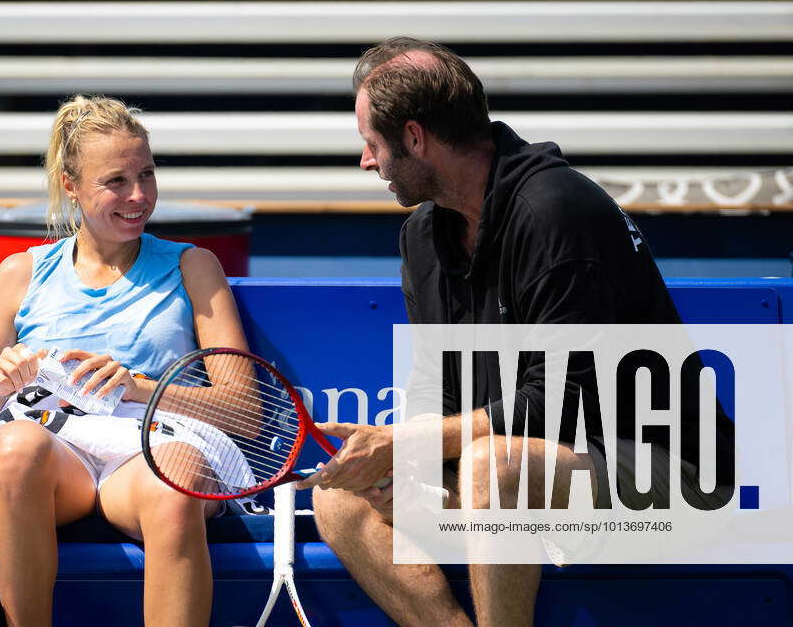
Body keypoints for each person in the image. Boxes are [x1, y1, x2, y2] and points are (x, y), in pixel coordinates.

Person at [297, 38, 734, 627]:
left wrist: (412, 444)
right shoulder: (423, 237)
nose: (366, 162)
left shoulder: (559, 210)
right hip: (523, 474)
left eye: (371, 144)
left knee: (493, 468)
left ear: (416, 137)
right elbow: (438, 391)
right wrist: (403, 460)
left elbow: (563, 400)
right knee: (340, 495)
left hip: (675, 476)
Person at [0, 94, 250, 627]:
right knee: (13, 446)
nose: (138, 196)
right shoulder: (20, 273)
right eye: (116, 181)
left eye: (147, 175)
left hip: (152, 451)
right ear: (70, 185)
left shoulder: (194, 265)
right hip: (59, 465)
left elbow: (245, 408)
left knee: (175, 476)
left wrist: (138, 387)